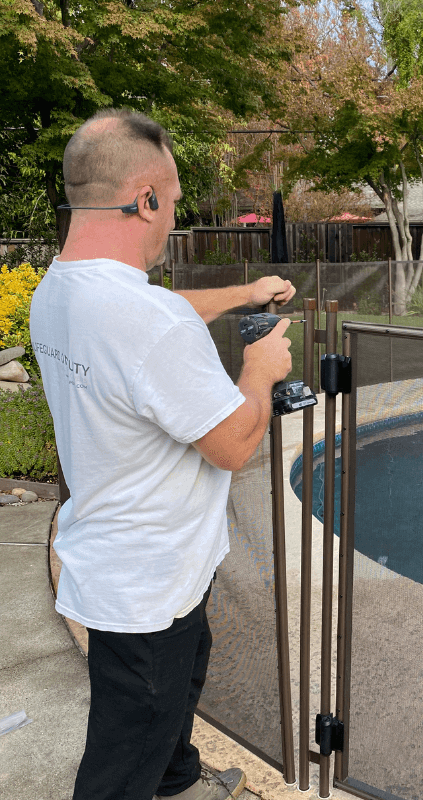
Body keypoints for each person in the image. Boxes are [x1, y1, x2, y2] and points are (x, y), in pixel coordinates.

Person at [29, 108, 295, 800]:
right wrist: (259, 371)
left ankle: (178, 775)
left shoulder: (59, 288)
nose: (172, 217)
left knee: (182, 681)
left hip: (137, 564)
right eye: (173, 202)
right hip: (146, 585)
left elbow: (159, 313)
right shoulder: (148, 322)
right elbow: (235, 444)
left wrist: (245, 294)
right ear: (144, 199)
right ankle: (155, 773)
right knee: (123, 756)